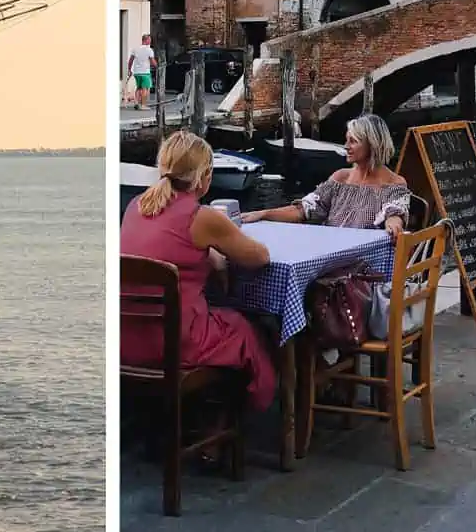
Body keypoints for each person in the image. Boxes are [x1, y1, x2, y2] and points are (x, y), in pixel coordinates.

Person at [119, 131, 277, 413]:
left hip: (126, 339)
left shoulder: (135, 206)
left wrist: (209, 254)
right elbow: (259, 258)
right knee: (246, 329)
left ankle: (191, 417)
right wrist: (216, 254)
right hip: (172, 345)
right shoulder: (202, 217)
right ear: (204, 177)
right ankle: (236, 421)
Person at [242, 113, 412, 236]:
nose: (346, 146)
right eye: (347, 140)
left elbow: (395, 213)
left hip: (365, 265)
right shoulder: (340, 178)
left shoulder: (393, 183)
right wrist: (263, 214)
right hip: (331, 254)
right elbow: (304, 210)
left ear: (373, 145)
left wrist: (394, 223)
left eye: (353, 141)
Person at [127, 35, 157, 110]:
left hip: (137, 72)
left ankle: (137, 103)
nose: (150, 41)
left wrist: (129, 70)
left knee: (138, 88)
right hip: (145, 72)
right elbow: (152, 61)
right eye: (149, 40)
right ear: (146, 40)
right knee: (145, 89)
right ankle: (143, 105)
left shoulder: (135, 49)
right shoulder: (149, 50)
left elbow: (130, 60)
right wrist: (157, 66)